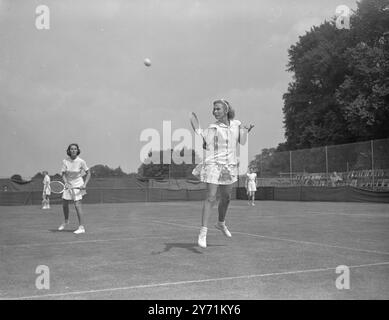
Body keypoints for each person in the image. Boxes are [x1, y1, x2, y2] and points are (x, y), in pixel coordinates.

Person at [192, 99, 253, 248]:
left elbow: (242, 141)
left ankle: (221, 223)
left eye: (218, 109)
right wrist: (205, 142)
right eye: (214, 109)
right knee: (211, 197)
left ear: (226, 110)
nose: (215, 112)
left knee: (226, 198)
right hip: (213, 164)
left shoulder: (236, 124)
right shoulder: (213, 127)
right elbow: (206, 145)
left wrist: (246, 130)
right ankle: (203, 232)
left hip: (229, 165)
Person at [58, 143, 91, 234]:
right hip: (68, 184)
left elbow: (88, 173)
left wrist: (84, 184)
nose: (73, 150)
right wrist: (66, 183)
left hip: (78, 183)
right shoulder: (65, 161)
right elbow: (63, 174)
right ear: (69, 151)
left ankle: (81, 227)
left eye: (75, 149)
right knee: (64, 204)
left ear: (77, 150)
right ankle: (66, 221)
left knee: (77, 205)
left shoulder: (81, 161)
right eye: (71, 149)